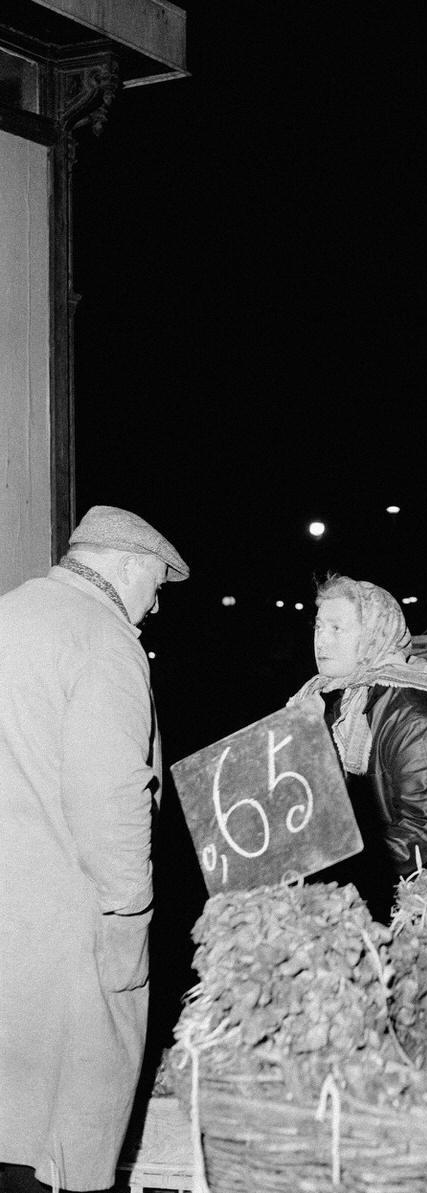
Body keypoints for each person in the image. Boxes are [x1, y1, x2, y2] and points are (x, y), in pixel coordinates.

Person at [0, 505, 188, 1193]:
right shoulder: (105, 640)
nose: (156, 604)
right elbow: (113, 805)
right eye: (156, 584)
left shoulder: (8, 614)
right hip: (67, 944)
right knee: (68, 1141)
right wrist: (130, 927)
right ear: (129, 564)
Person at [289, 574, 427, 922]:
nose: (322, 641)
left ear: (374, 636)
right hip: (408, 871)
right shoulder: (349, 703)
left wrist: (336, 873)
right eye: (319, 627)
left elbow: (422, 835)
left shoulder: (413, 715)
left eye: (338, 629)